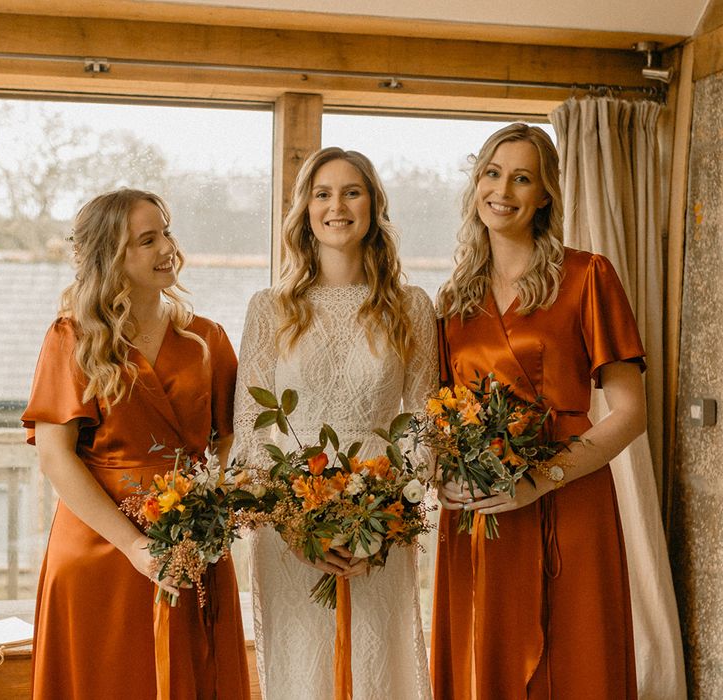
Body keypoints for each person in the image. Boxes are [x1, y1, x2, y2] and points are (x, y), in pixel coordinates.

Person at [430, 123, 645, 699]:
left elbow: (629, 412)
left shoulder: (588, 275)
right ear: (476, 184)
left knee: (576, 655)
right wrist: (444, 473)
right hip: (481, 503)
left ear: (544, 194)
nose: (503, 190)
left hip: (571, 495)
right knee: (485, 654)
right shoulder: (453, 299)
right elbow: (438, 414)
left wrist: (541, 480)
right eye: (492, 174)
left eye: (522, 178)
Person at [22, 189, 250, 699]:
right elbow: (56, 457)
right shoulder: (71, 337)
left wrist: (213, 513)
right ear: (111, 257)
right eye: (148, 240)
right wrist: (135, 546)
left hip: (188, 545)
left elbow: (234, 439)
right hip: (96, 548)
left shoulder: (207, 339)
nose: (168, 247)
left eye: (166, 231)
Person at [233, 147, 438, 700]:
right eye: (322, 193)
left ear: (373, 205)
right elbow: (252, 433)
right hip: (289, 530)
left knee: (378, 667)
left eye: (352, 192)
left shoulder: (411, 306)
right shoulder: (268, 308)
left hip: (383, 526)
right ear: (304, 210)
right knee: (303, 673)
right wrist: (296, 529)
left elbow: (424, 425)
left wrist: (385, 522)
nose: (337, 205)